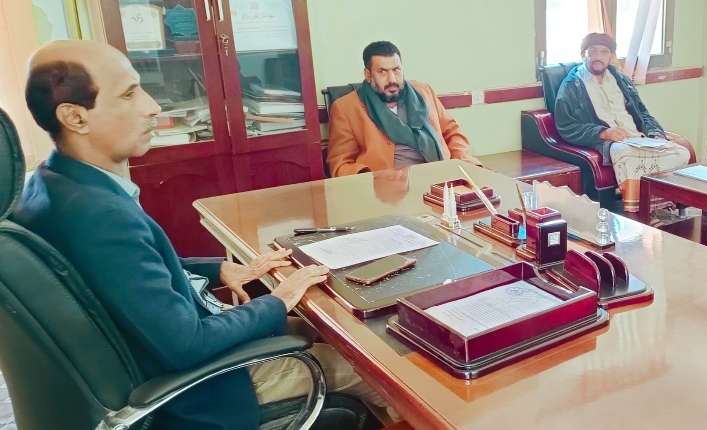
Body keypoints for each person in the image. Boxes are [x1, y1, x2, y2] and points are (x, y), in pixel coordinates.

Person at [15, 40, 387, 429]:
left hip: (168, 351)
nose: (152, 106)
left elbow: (131, 270)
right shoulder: (101, 218)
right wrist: (279, 299)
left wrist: (219, 268)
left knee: (331, 331)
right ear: (75, 117)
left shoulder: (52, 185)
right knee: (371, 368)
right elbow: (187, 344)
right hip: (205, 389)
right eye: (128, 94)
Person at [553, 32, 694, 212]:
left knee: (682, 153)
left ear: (611, 56)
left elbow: (642, 113)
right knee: (626, 156)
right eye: (592, 51)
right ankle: (637, 211)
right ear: (583, 55)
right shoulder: (572, 85)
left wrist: (656, 134)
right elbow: (566, 126)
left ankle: (660, 207)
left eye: (604, 52)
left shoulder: (622, 80)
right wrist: (602, 132)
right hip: (614, 144)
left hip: (639, 139)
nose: (598, 57)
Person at [327, 41, 480, 176]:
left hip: (439, 176)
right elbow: (340, 164)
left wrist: (461, 160)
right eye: (382, 72)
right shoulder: (346, 108)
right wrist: (371, 179)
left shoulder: (424, 92)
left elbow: (452, 131)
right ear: (368, 74)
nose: (392, 79)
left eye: (396, 70)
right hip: (388, 189)